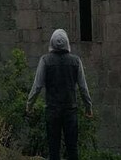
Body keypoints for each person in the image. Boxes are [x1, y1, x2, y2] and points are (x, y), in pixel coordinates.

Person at [26, 29, 93, 160]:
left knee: (53, 148)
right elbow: (83, 87)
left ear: (51, 43)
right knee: (72, 148)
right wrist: (88, 108)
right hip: (70, 110)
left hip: (52, 110)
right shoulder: (76, 61)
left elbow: (37, 86)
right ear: (67, 43)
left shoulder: (45, 60)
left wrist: (29, 104)